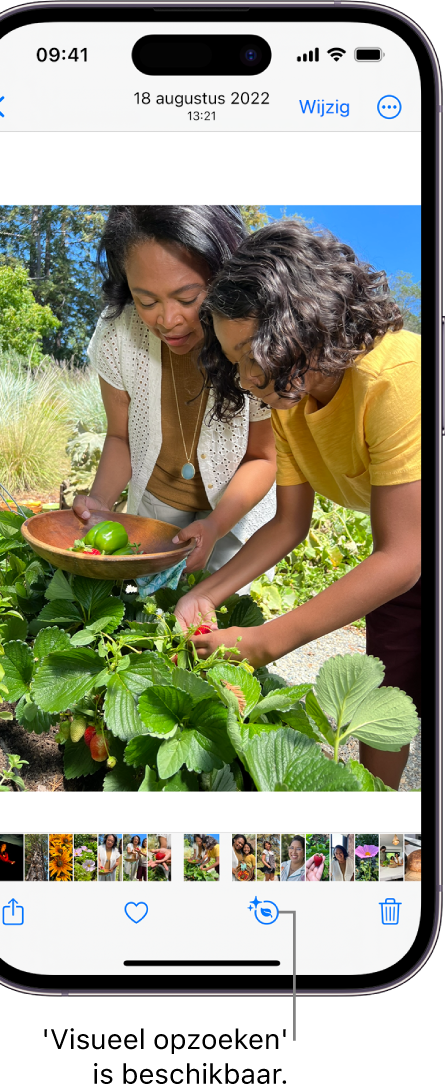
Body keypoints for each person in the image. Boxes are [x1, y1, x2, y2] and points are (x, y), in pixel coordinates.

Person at [176, 220, 421, 788]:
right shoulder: (290, 398)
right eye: (233, 359)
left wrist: (269, 638)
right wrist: (205, 593)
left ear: (305, 321)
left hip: (414, 549)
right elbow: (289, 523)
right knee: (387, 703)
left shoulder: (400, 375)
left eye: (252, 353)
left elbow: (403, 555)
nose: (244, 376)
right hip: (416, 552)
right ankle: (376, 825)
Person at [73, 206, 277, 582]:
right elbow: (121, 437)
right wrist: (100, 502)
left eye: (187, 299)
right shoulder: (118, 332)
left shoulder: (254, 339)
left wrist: (215, 525)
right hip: (156, 502)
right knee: (149, 610)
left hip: (236, 512)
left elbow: (262, 458)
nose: (167, 320)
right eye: (146, 301)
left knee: (220, 618)